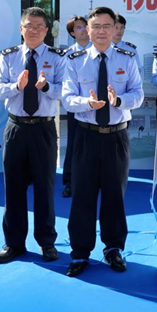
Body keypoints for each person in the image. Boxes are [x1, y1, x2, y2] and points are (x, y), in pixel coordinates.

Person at [62, 6, 144, 277]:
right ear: (87, 29)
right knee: (82, 195)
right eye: (95, 26)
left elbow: (138, 94)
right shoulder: (75, 60)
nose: (101, 31)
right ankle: (80, 252)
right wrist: (87, 103)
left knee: (114, 196)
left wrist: (118, 101)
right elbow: (67, 99)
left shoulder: (127, 59)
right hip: (86, 136)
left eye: (107, 26)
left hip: (116, 136)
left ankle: (113, 249)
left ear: (115, 29)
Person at [0, 6, 66, 265]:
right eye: (29, 26)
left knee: (45, 186)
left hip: (44, 129)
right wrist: (16, 86)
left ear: (46, 31)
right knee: (14, 187)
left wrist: (46, 87)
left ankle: (47, 242)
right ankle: (14, 243)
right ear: (21, 29)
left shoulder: (57, 57)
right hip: (16, 128)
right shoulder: (9, 56)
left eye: (39, 26)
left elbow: (65, 91)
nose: (34, 30)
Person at [61, 15, 92, 198]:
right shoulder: (66, 55)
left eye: (85, 26)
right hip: (76, 105)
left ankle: (95, 181)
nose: (83, 30)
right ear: (72, 33)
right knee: (74, 143)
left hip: (97, 105)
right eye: (79, 28)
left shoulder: (99, 49)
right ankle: (70, 181)